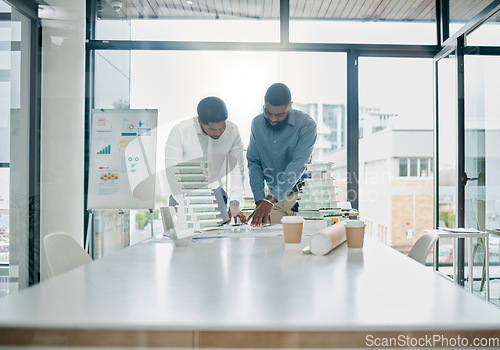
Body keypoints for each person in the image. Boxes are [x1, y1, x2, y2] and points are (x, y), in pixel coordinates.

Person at [164, 96, 247, 224]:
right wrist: (188, 205)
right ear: (200, 121)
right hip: (183, 193)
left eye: (222, 128)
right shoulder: (180, 131)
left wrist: (235, 202)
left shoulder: (233, 131)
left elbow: (238, 170)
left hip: (215, 193)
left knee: (218, 238)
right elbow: (173, 173)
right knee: (183, 240)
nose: (218, 133)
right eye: (213, 129)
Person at [247, 83, 317, 227]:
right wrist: (260, 200)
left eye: (279, 114)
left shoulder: (306, 124)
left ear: (290, 106)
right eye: (268, 112)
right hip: (272, 199)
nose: (272, 119)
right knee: (270, 243)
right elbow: (254, 163)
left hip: (303, 196)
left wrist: (270, 200)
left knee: (303, 243)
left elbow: (298, 164)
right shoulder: (256, 124)